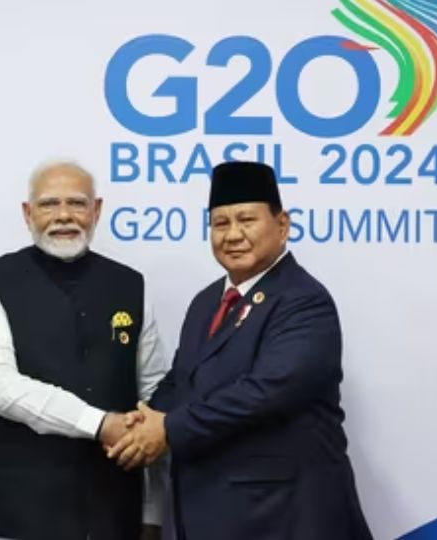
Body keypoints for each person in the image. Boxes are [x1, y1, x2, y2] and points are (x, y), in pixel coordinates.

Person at [108, 161, 372, 540]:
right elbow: (182, 380)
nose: (233, 235)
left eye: (247, 220)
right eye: (220, 223)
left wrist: (166, 429)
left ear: (282, 225)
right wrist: (142, 421)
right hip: (210, 511)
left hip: (284, 517)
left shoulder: (303, 300)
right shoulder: (206, 301)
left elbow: (266, 391)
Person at [0, 161, 167, 540]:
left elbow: (152, 397)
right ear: (28, 213)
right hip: (10, 513)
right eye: (49, 204)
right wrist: (100, 424)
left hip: (111, 512)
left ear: (96, 210)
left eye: (77, 203)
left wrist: (152, 511)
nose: (64, 215)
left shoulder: (131, 284)